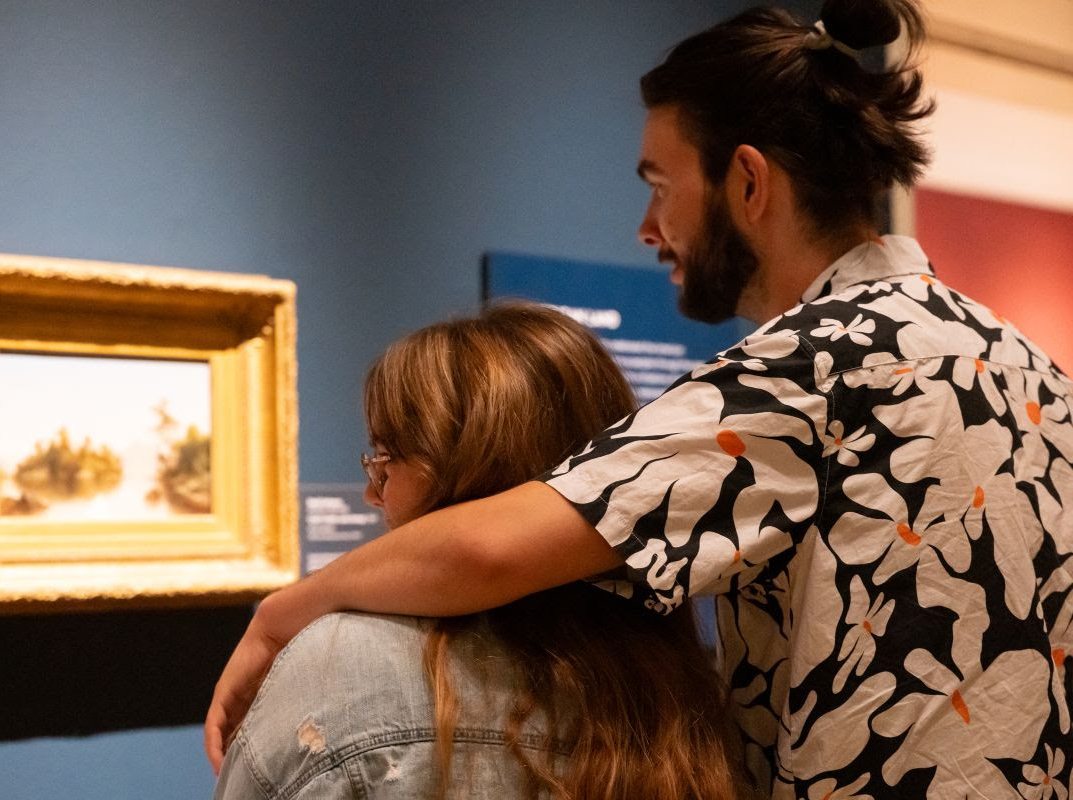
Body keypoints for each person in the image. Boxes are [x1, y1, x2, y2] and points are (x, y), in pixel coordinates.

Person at [208, 1, 1073, 797]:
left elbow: (492, 547)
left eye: (660, 184)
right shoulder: (1026, 364)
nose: (647, 227)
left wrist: (281, 613)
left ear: (747, 181)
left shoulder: (821, 365)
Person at [212, 303, 753, 800]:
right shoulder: (680, 689)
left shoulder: (340, 665)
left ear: (469, 472)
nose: (372, 492)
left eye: (385, 458)